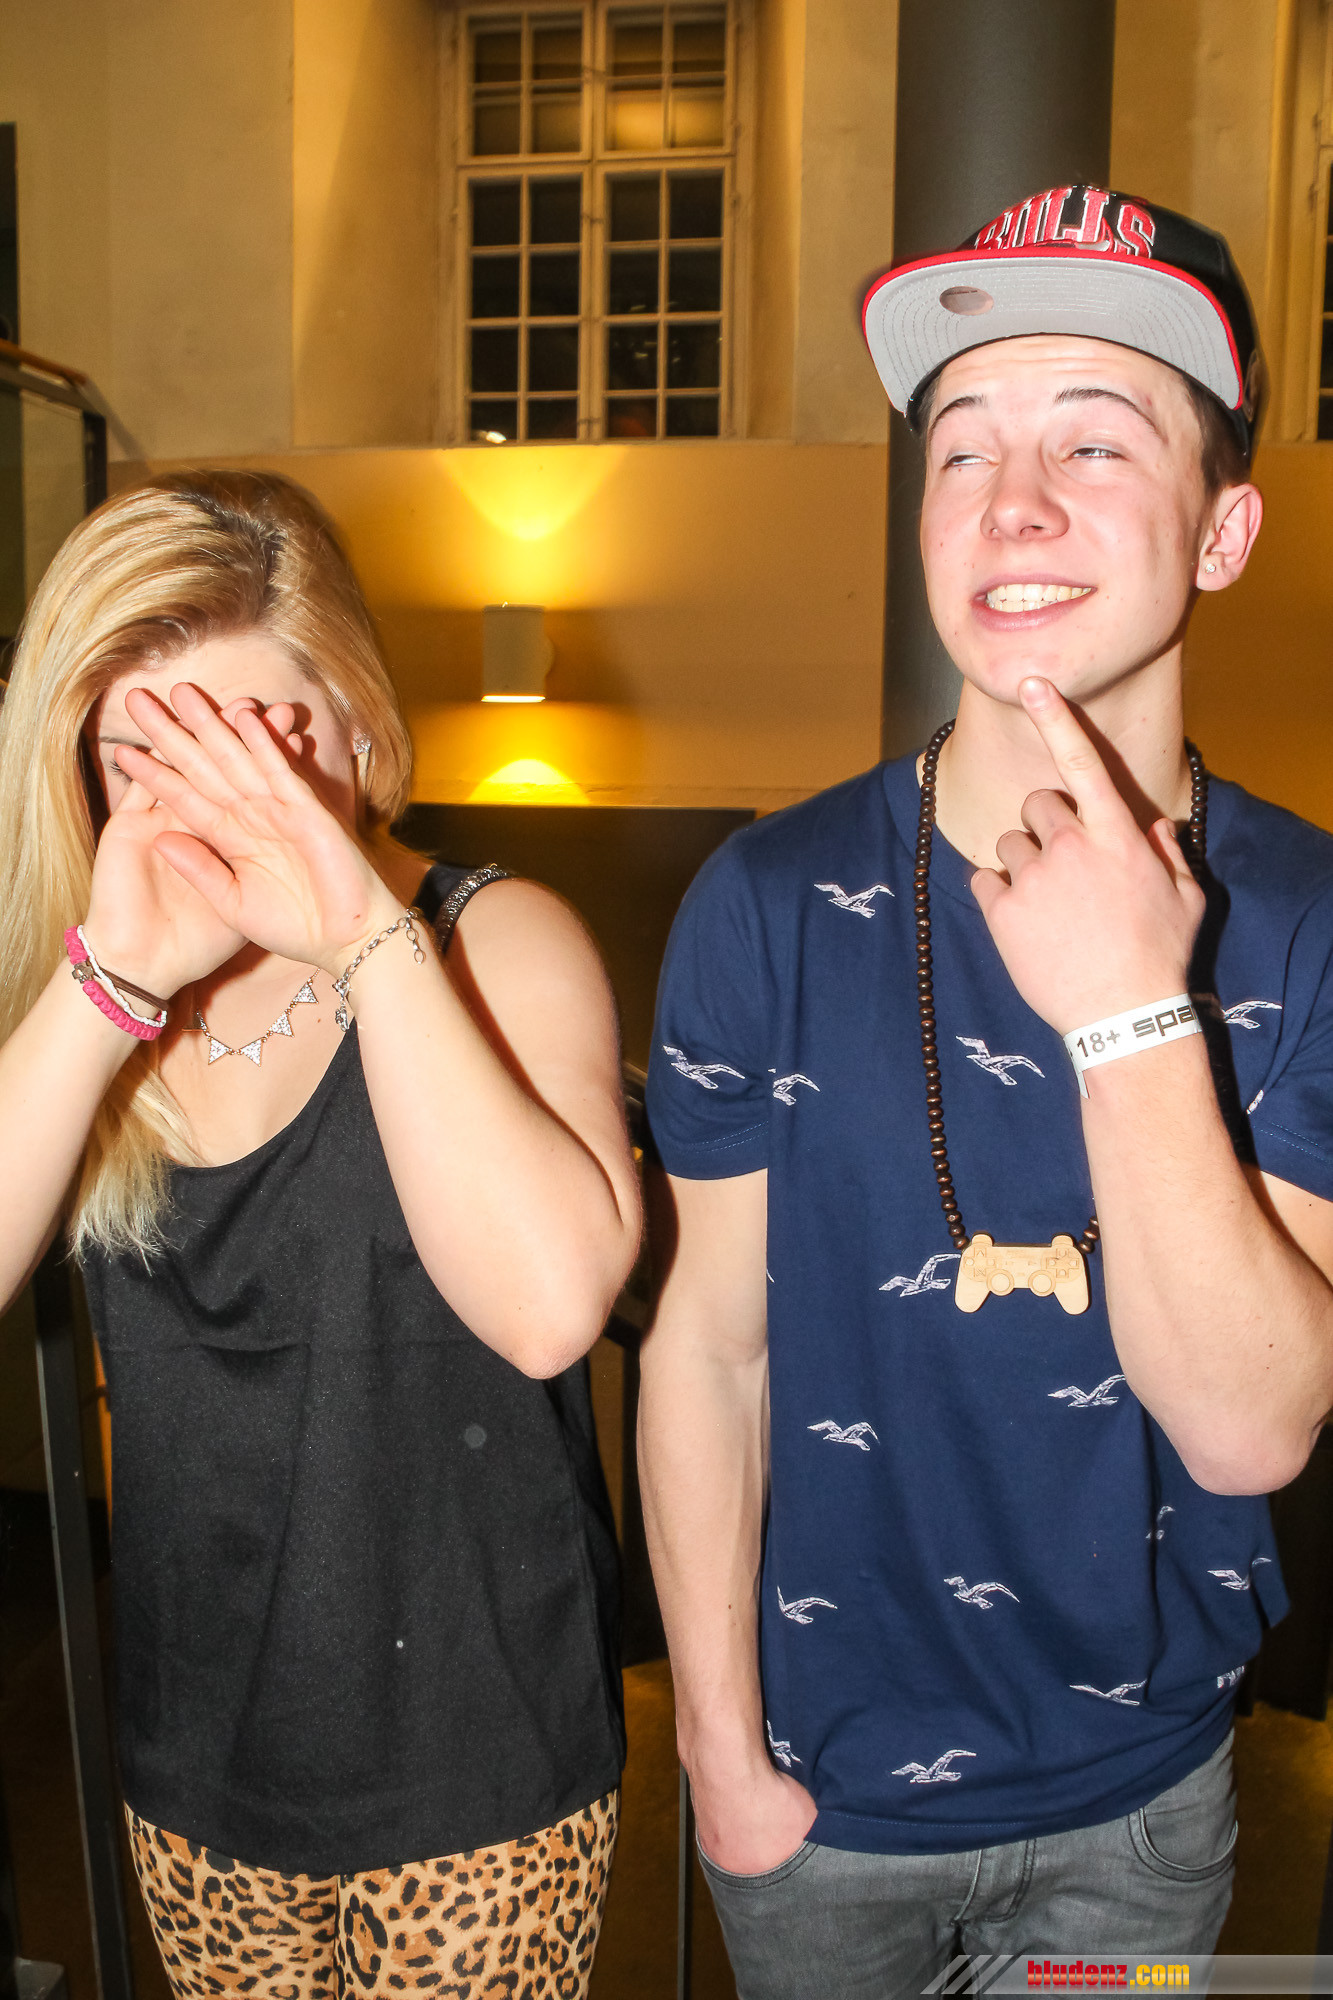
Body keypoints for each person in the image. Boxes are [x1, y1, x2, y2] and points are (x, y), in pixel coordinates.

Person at [639, 185, 1333, 1995]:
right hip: (815, 1814)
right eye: (960, 448)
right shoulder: (765, 902)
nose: (1009, 503)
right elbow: (708, 1347)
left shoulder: (1312, 918)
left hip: (1143, 1811)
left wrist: (1127, 1015)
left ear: (1222, 529)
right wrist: (718, 1755)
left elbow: (1248, 1431)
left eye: (1093, 440)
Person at [0, 470, 640, 1995]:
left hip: (476, 1772)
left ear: (356, 724)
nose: (210, 807)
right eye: (148, 761)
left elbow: (549, 1310)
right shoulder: (96, 988)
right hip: (199, 1760)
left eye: (259, 747)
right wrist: (110, 983)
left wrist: (361, 936)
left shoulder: (494, 944)